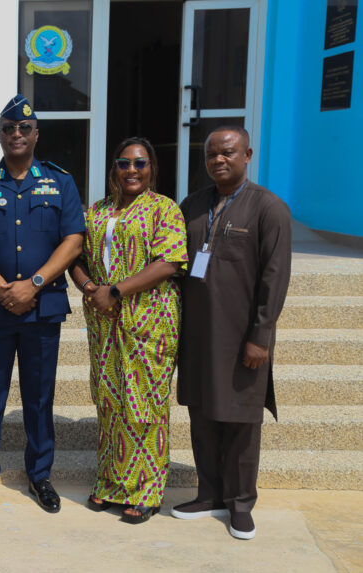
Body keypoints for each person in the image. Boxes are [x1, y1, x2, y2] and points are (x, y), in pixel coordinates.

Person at [0, 95, 85, 513]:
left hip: (43, 308)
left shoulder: (60, 181)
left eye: (24, 128)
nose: (16, 134)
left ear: (36, 134)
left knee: (39, 397)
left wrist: (35, 283)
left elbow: (73, 240)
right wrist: (3, 289)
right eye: (9, 128)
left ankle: (39, 475)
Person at [173, 126, 291, 540]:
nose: (219, 160)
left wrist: (261, 336)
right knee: (202, 417)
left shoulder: (268, 209)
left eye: (228, 153)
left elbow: (275, 278)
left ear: (247, 154)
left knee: (241, 423)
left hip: (243, 339)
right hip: (197, 337)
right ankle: (210, 494)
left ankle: (241, 504)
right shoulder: (192, 205)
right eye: (211, 155)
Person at [69, 137, 188, 524]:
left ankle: (146, 491)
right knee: (109, 399)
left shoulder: (164, 209)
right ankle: (111, 483)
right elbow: (77, 258)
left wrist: (116, 290)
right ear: (114, 169)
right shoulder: (97, 211)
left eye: (140, 163)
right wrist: (91, 288)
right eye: (124, 163)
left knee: (145, 402)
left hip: (149, 321)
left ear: (152, 167)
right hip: (104, 321)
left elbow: (169, 262)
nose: (132, 170)